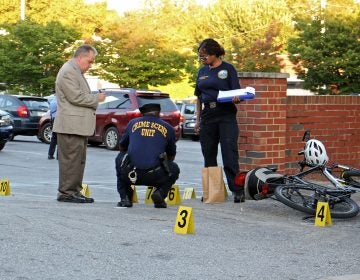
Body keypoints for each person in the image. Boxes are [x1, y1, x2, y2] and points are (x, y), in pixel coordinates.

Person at [53, 44, 106, 203]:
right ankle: (66, 192)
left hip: (77, 126)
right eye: (90, 61)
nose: (91, 65)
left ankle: (74, 191)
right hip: (71, 125)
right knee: (70, 160)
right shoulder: (68, 72)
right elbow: (75, 97)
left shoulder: (75, 71)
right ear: (80, 57)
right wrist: (97, 98)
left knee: (78, 161)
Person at [194, 38, 245, 203]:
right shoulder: (202, 72)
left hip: (226, 114)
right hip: (208, 114)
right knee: (208, 154)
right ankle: (213, 191)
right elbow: (198, 98)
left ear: (214, 53)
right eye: (200, 56)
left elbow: (236, 92)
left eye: (204, 56)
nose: (202, 59)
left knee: (229, 153)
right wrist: (198, 120)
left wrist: (237, 98)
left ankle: (237, 190)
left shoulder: (228, 69)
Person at [115, 103, 180, 208]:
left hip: (131, 173)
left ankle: (125, 198)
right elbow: (171, 155)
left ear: (142, 114)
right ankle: (160, 194)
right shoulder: (168, 128)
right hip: (156, 175)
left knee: (120, 158)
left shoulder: (132, 123)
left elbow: (122, 146)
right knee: (174, 168)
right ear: (159, 113)